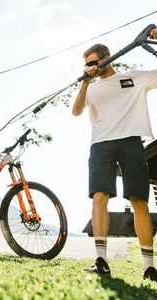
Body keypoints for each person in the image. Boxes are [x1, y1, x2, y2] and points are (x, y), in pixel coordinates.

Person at [72, 27, 157, 281]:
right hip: (101, 145)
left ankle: (149, 267)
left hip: (131, 142)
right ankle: (101, 261)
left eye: (93, 62)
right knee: (99, 197)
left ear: (106, 57)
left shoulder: (135, 78)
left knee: (139, 201)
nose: (90, 67)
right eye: (86, 65)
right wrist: (85, 82)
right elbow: (76, 111)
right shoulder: (91, 88)